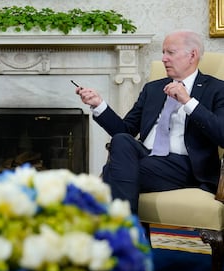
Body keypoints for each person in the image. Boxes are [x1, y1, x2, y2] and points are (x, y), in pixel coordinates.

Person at [75, 30, 224, 214]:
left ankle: (123, 229)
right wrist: (98, 105)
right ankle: (128, 231)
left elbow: (221, 134)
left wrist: (188, 101)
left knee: (113, 172)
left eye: (170, 52)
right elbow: (126, 129)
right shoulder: (153, 88)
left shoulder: (217, 89)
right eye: (163, 52)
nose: (163, 59)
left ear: (192, 55)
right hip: (146, 156)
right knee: (121, 140)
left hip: (185, 165)